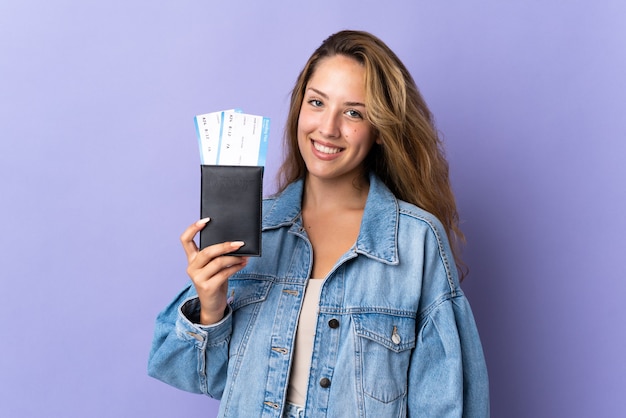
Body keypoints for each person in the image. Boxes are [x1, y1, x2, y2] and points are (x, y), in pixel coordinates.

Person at [148, 30, 489, 417]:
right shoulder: (253, 228)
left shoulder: (415, 241)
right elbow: (198, 377)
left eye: (353, 112)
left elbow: (447, 404)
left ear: (380, 130)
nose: (328, 128)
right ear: (299, 109)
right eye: (317, 102)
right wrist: (210, 306)